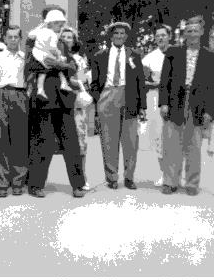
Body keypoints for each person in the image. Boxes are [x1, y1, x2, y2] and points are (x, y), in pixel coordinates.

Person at [27, 16, 86, 199]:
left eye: (63, 25)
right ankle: (36, 185)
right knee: (43, 144)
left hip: (64, 101)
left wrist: (60, 64)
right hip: (44, 101)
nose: (61, 28)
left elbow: (72, 68)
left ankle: (78, 185)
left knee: (71, 145)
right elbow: (35, 65)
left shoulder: (64, 48)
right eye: (58, 24)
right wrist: (59, 64)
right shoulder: (37, 44)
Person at [159, 17, 214, 196]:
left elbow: (212, 86)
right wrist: (163, 103)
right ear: (185, 33)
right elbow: (164, 80)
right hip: (175, 101)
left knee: (193, 145)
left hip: (197, 104)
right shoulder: (173, 52)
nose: (192, 34)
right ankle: (170, 182)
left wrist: (209, 111)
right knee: (172, 144)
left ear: (201, 32)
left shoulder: (209, 57)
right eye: (189, 31)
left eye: (195, 30)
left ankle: (192, 183)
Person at [90, 21, 147, 190]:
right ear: (111, 36)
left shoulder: (134, 55)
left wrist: (142, 106)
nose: (119, 36)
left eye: (122, 33)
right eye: (116, 33)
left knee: (130, 141)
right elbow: (94, 82)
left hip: (128, 96)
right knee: (108, 139)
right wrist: (98, 99)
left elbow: (140, 82)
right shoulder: (100, 55)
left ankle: (129, 177)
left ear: (126, 36)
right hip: (107, 96)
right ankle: (112, 177)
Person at [0, 25, 28, 197]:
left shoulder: (25, 58)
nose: (12, 40)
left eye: (16, 37)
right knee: (0, 141)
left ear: (20, 39)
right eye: (9, 37)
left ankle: (18, 181)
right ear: (5, 38)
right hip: (1, 95)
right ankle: (2, 183)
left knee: (19, 141)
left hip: (20, 96)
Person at [60, 27, 91, 191]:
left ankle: (82, 176)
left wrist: (74, 81)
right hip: (57, 103)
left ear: (74, 41)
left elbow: (83, 79)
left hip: (76, 104)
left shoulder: (80, 59)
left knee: (80, 140)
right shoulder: (54, 56)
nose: (66, 39)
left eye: (69, 37)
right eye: (63, 36)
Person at [141, 24, 172, 186]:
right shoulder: (149, 58)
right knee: (158, 136)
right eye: (158, 35)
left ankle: (175, 174)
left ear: (169, 36)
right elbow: (142, 81)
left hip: (174, 99)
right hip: (155, 99)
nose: (160, 38)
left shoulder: (177, 54)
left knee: (174, 136)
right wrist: (158, 82)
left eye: (163, 35)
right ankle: (163, 173)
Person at [31, 10, 73, 100]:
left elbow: (31, 35)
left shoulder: (41, 32)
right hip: (46, 57)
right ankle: (63, 83)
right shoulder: (52, 35)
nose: (61, 28)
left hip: (38, 54)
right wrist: (60, 58)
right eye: (59, 25)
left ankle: (40, 89)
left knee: (43, 72)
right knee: (55, 67)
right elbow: (53, 49)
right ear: (52, 23)